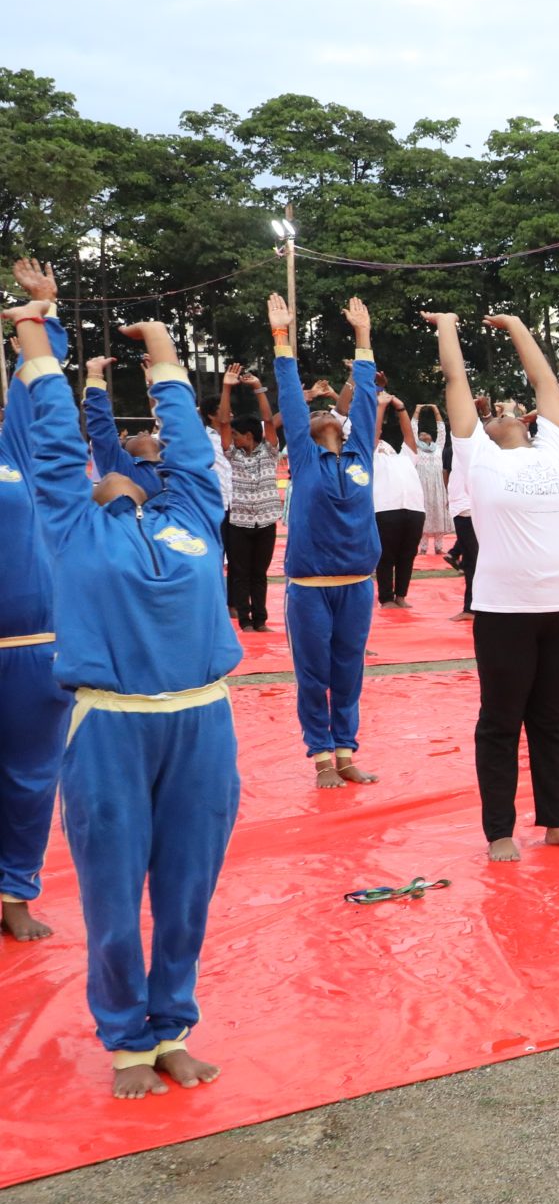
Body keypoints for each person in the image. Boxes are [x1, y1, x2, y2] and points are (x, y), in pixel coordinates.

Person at [19, 306, 241, 1096]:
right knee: (114, 898)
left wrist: (164, 352)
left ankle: (172, 1027)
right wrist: (35, 340)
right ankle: (126, 1043)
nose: (122, 462)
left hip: (202, 719)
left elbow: (186, 443)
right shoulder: (73, 525)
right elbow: (51, 445)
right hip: (110, 728)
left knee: (186, 891)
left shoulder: (191, 518)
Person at [433, 312, 559, 861]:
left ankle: (556, 821)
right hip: (507, 609)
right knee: (501, 723)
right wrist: (449, 327)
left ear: (528, 424)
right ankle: (500, 831)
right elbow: (456, 382)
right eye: (494, 411)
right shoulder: (477, 454)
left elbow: (546, 383)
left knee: (552, 720)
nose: (504, 411)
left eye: (511, 410)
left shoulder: (554, 447)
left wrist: (517, 327)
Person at [271, 293, 382, 790]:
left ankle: (345, 750)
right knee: (314, 675)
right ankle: (320, 756)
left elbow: (366, 396)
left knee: (349, 672)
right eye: (314, 416)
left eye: (329, 413)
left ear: (342, 425)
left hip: (358, 583)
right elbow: (293, 401)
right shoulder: (305, 456)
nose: (322, 414)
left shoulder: (361, 454)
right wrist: (281, 338)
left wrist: (363, 337)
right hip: (311, 587)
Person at [0, 263, 80, 944]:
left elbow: (39, 387)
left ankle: (14, 890)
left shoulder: (14, 452)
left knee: (29, 780)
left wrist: (42, 312)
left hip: (31, 650)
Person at [214, 363, 283, 632]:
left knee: (260, 574)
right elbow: (222, 421)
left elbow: (268, 420)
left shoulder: (270, 451)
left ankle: (261, 619)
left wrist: (258, 388)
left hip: (265, 522)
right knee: (240, 573)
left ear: (249, 435)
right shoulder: (232, 454)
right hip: (239, 522)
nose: (232, 437)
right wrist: (227, 387)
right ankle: (245, 620)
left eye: (237, 434)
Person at [372, 388, 428, 607]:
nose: (383, 446)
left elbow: (408, 436)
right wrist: (381, 406)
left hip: (414, 510)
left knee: (407, 555)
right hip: (385, 509)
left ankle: (401, 596)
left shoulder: (406, 457)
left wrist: (401, 407)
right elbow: (373, 435)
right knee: (385, 555)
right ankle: (386, 597)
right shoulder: (370, 457)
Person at [416, 400, 455, 560]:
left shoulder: (438, 448)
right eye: (420, 434)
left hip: (438, 486)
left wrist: (436, 410)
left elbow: (442, 431)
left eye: (425, 433)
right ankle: (423, 548)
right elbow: (412, 430)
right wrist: (417, 411)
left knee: (438, 513)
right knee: (424, 514)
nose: (423, 434)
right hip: (423, 486)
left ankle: (439, 547)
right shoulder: (416, 449)